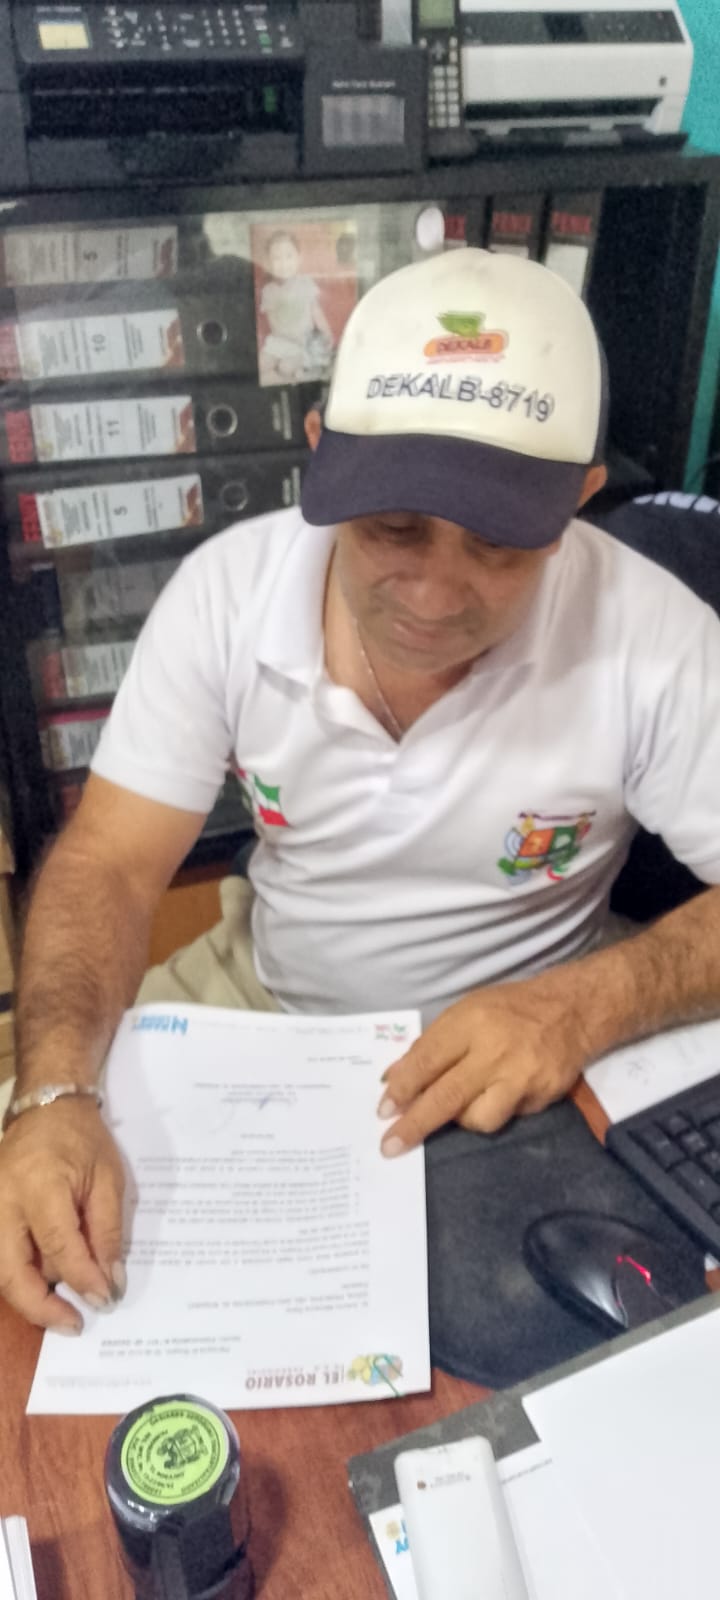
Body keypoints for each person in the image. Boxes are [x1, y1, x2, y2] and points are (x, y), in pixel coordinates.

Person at [2, 249, 720, 1336]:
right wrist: (51, 1093)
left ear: (578, 500)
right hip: (270, 992)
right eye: (391, 527)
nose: (433, 593)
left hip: (546, 1011)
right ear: (319, 455)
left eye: (498, 545)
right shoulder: (227, 596)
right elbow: (107, 859)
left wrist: (587, 1005)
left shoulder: (654, 636)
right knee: (41, 1220)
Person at [257, 230, 333, 384]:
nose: (284, 263)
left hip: (303, 343)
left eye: (289, 256)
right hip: (279, 340)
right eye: (277, 258)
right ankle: (299, 373)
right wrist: (288, 337)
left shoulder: (305, 283)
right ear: (269, 263)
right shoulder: (268, 291)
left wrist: (326, 333)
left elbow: (317, 313)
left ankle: (303, 368)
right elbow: (273, 323)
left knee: (285, 368)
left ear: (299, 258)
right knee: (260, 365)